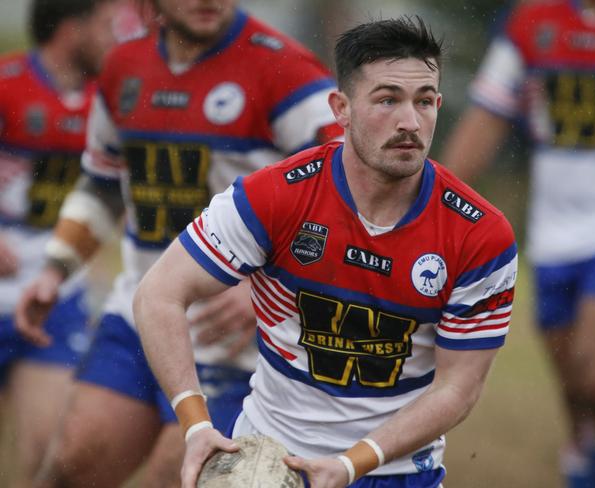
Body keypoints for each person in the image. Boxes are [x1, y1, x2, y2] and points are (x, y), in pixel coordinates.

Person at [133, 15, 519, 488]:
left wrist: (353, 462)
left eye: (424, 101)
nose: (409, 122)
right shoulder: (274, 197)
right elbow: (158, 295)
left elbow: (459, 388)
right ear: (342, 108)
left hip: (394, 472)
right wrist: (196, 424)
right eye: (387, 100)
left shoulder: (480, 235)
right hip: (268, 460)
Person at [15, 0, 342, 487]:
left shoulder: (286, 71)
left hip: (233, 344)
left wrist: (269, 284)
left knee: (177, 478)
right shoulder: (124, 66)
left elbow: (345, 192)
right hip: (140, 314)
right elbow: (103, 182)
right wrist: (56, 267)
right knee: (71, 464)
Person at [441, 1, 595, 487]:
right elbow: (486, 117)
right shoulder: (532, 20)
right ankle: (590, 464)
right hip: (553, 235)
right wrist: (438, 202)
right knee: (579, 399)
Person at [0, 0, 118, 486]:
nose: (116, 39)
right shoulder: (8, 84)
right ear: (74, 28)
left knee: (49, 455)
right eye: (107, 26)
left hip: (55, 293)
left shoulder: (110, 100)